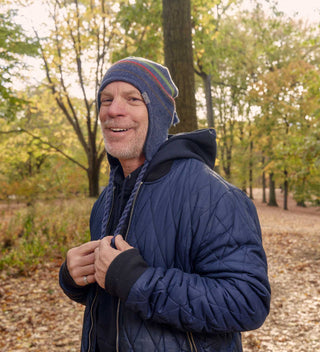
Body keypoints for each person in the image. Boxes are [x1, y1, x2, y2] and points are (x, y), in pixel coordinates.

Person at [59, 57, 270, 352]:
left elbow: (248, 302)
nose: (113, 110)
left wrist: (136, 280)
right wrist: (74, 278)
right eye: (106, 100)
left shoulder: (212, 195)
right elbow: (115, 294)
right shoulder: (106, 200)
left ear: (157, 114)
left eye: (133, 99)